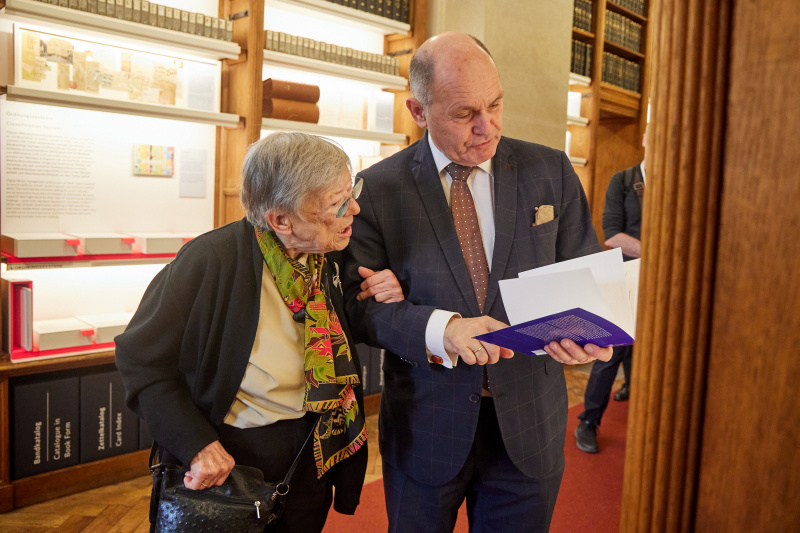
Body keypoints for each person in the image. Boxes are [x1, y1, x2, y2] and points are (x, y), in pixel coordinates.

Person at [343, 32, 613, 533]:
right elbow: (356, 308)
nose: (487, 128)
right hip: (426, 428)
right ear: (418, 111)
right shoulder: (376, 190)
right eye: (465, 114)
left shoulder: (549, 170)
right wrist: (437, 329)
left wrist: (590, 333)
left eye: (495, 105)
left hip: (530, 424)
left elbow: (583, 271)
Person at [116, 132, 403, 533]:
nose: (353, 207)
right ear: (280, 220)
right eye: (336, 203)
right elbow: (141, 360)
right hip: (231, 457)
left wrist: (377, 293)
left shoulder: (329, 251)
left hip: (310, 450)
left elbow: (343, 327)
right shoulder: (209, 261)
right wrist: (197, 444)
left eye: (351, 190)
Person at [574, 128, 646, 454]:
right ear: (646, 138)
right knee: (610, 352)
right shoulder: (623, 180)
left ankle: (632, 388)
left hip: (659, 285)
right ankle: (588, 422)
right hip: (623, 277)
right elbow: (613, 236)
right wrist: (662, 255)